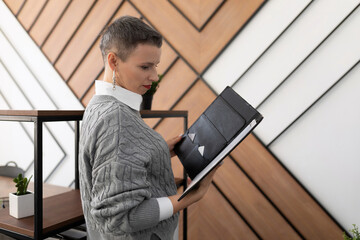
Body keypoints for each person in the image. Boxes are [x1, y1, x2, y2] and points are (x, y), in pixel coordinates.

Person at [79, 16, 219, 240]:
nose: (154, 77)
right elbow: (122, 218)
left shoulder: (100, 105)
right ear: (113, 61)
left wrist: (158, 149)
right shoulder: (116, 118)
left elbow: (113, 161)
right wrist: (191, 196)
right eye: (145, 67)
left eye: (155, 66)